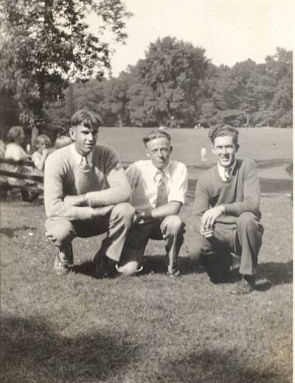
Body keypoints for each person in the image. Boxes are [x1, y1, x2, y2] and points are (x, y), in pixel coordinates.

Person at [44, 109, 134, 276]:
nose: (91, 138)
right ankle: (63, 254)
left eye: (94, 133)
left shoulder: (107, 154)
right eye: (85, 133)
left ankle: (105, 259)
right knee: (59, 232)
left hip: (97, 215)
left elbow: (124, 192)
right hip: (68, 218)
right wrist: (92, 212)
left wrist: (85, 199)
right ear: (72, 133)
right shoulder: (56, 159)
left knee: (126, 210)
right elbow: (53, 207)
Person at [190, 124, 263, 295]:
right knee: (197, 251)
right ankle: (224, 259)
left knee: (248, 219)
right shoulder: (205, 178)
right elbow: (196, 214)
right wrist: (202, 228)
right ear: (213, 150)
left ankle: (248, 276)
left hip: (241, 231)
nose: (224, 152)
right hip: (218, 233)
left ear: (236, 147)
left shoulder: (247, 167)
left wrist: (222, 208)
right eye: (220, 147)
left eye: (229, 146)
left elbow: (253, 204)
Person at [118, 130, 188, 277]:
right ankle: (133, 257)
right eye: (154, 150)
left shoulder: (179, 168)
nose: (160, 154)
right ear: (147, 153)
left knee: (175, 222)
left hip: (163, 221)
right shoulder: (137, 168)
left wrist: (143, 214)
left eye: (164, 149)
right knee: (127, 271)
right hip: (139, 224)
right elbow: (120, 193)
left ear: (171, 149)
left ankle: (171, 265)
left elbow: (174, 206)